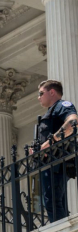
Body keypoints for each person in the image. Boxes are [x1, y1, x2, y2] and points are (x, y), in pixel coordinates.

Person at [34, 80, 78, 222]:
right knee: (54, 200)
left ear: (52, 92)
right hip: (50, 163)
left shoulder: (61, 106)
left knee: (52, 200)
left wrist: (51, 142)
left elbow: (73, 122)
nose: (38, 97)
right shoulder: (50, 112)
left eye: (41, 93)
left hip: (57, 162)